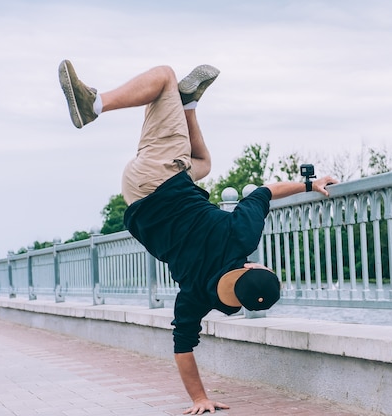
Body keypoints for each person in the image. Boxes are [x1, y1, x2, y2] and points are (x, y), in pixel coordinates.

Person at [58, 60, 337, 414]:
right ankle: (187, 103)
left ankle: (92, 105)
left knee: (163, 76)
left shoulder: (240, 236)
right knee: (202, 163)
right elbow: (182, 347)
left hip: (161, 176)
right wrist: (199, 399)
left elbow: (264, 191)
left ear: (253, 266)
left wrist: (310, 184)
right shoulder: (197, 296)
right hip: (139, 196)